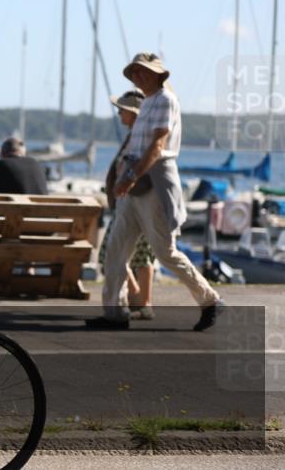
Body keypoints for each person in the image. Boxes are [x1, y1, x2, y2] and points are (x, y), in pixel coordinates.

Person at [86, 53, 224, 331]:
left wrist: (130, 177)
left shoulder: (165, 100)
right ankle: (114, 313)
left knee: (165, 252)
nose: (138, 76)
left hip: (152, 185)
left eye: (143, 72)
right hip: (135, 185)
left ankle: (210, 301)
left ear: (159, 75)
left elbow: (158, 145)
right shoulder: (149, 101)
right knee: (115, 249)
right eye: (134, 72)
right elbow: (139, 149)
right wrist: (126, 178)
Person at [99, 89, 156, 320]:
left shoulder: (139, 136)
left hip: (136, 201)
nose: (119, 113)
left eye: (122, 110)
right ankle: (141, 300)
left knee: (118, 254)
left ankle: (138, 298)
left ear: (133, 113)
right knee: (140, 255)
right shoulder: (135, 134)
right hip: (132, 201)